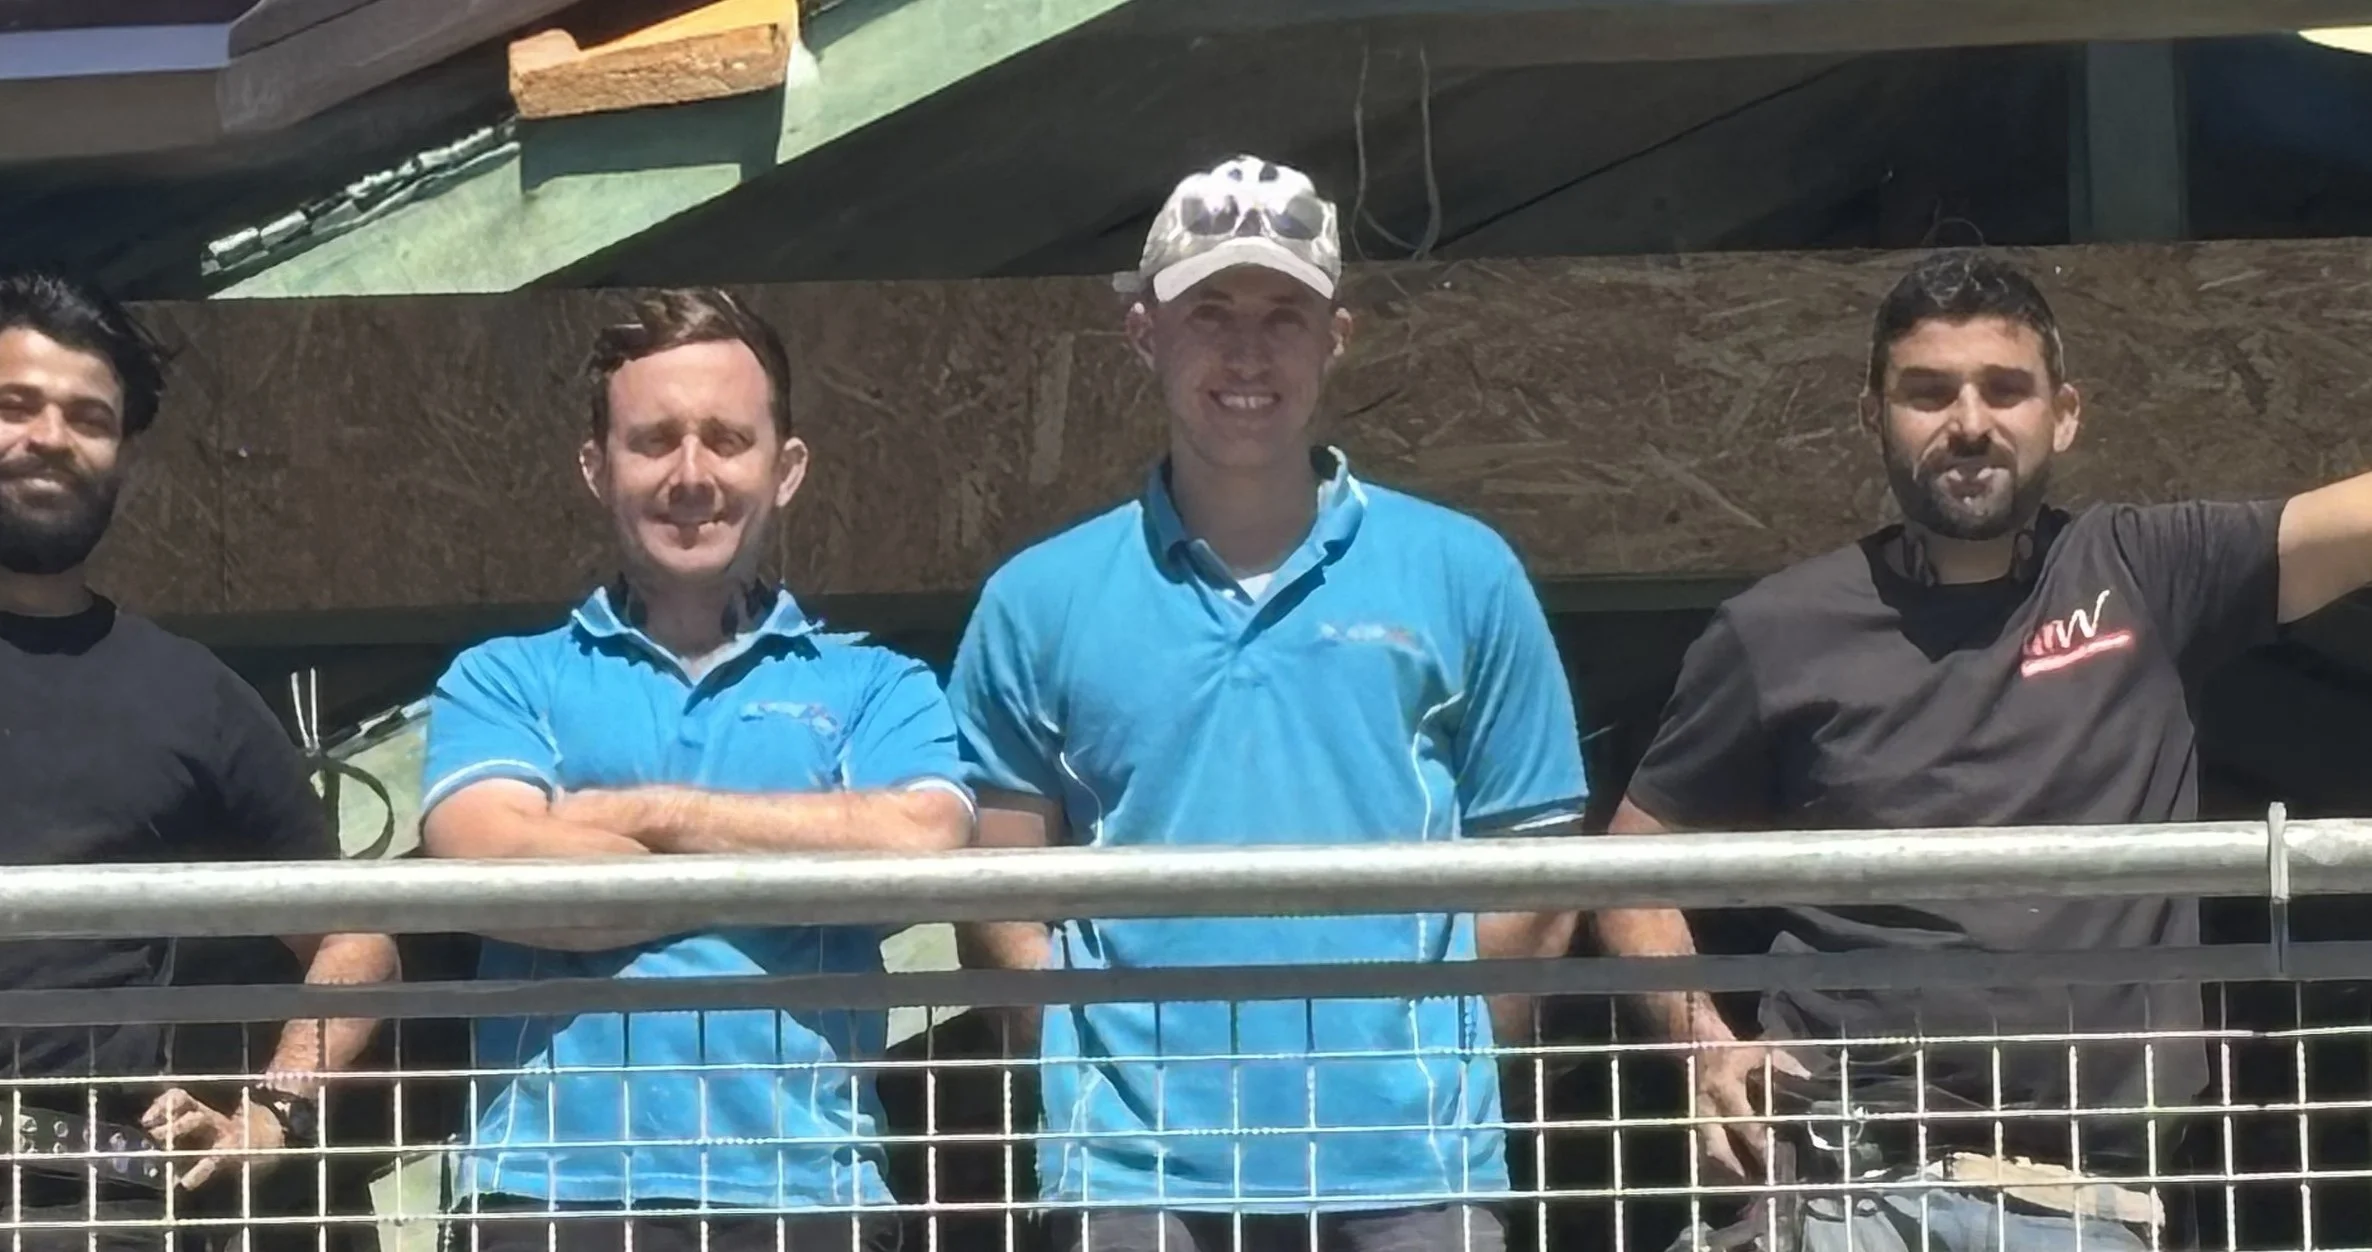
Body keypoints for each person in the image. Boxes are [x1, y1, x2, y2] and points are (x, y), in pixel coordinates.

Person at [1596, 250, 2372, 1252]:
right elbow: (1630, 867)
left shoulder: (2147, 573)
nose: (1969, 421)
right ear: (1873, 417)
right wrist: (1703, 1045)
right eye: (1928, 392)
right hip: (1844, 1186)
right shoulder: (1775, 628)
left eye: (2005, 389)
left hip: (2084, 1201)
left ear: (2065, 415)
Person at [945, 155, 1590, 1252]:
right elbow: (996, 896)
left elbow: (1535, 866)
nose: (1247, 352)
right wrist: (1085, 1082)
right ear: (1144, 333)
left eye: (1283, 315)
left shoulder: (1464, 571)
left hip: (1415, 1175)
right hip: (1136, 1180)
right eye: (1210, 312)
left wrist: (1423, 1079)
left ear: (1337, 337)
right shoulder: (1036, 600)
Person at [418, 288, 974, 1252]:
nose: (691, 474)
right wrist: (800, 863)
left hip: (809, 1193)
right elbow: (487, 864)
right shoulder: (503, 678)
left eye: (726, 439)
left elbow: (922, 846)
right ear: (597, 468)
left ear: (785, 469)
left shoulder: (880, 684)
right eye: (653, 441)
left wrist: (647, 816)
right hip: (548, 1194)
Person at [0, 271, 400, 1250]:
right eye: (15, 405)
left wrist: (274, 1113)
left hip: (105, 1206)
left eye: (89, 418)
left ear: (126, 461)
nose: (52, 437)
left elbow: (356, 939)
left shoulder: (188, 693)